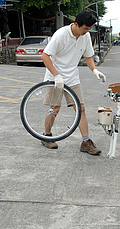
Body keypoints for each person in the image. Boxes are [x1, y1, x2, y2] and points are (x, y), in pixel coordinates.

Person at [40, 10, 106, 155]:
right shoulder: (61, 34)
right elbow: (45, 56)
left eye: (89, 29)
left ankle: (86, 142)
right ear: (76, 24)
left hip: (72, 77)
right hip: (55, 77)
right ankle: (46, 136)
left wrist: (94, 70)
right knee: (54, 109)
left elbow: (88, 56)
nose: (87, 31)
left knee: (81, 109)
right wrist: (56, 75)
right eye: (85, 28)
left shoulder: (85, 36)